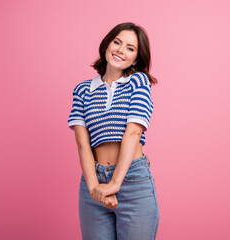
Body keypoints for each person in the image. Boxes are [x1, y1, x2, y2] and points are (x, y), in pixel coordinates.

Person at [67, 22, 160, 240]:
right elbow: (83, 144)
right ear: (107, 45)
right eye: (117, 42)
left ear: (136, 58)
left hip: (132, 180)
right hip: (94, 181)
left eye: (130, 48)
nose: (120, 50)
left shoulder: (138, 81)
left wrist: (115, 184)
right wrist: (95, 189)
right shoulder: (82, 90)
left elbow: (133, 133)